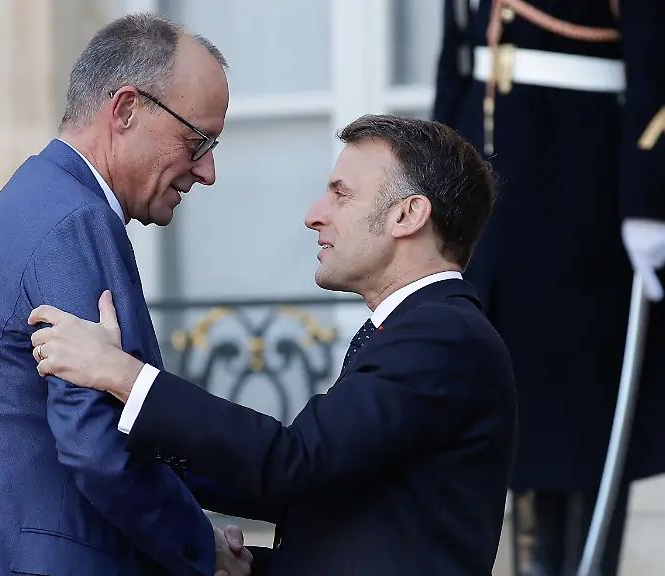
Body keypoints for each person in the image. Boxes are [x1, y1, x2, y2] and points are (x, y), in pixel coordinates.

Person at [26, 114, 518, 576]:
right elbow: (340, 497)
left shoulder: (441, 336)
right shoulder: (427, 329)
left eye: (341, 195)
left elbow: (297, 462)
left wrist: (119, 375)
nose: (314, 216)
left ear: (407, 215)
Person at [0, 13, 253, 576]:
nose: (206, 171)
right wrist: (202, 552)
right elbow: (99, 446)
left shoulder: (40, 199)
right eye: (196, 140)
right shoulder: (73, 222)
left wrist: (288, 479)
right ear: (126, 110)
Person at [431, 0, 665, 574]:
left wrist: (650, 197)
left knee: (580, 419)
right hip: (490, 189)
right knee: (509, 413)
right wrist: (434, 179)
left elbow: (663, 44)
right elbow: (459, 46)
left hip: (580, 181)